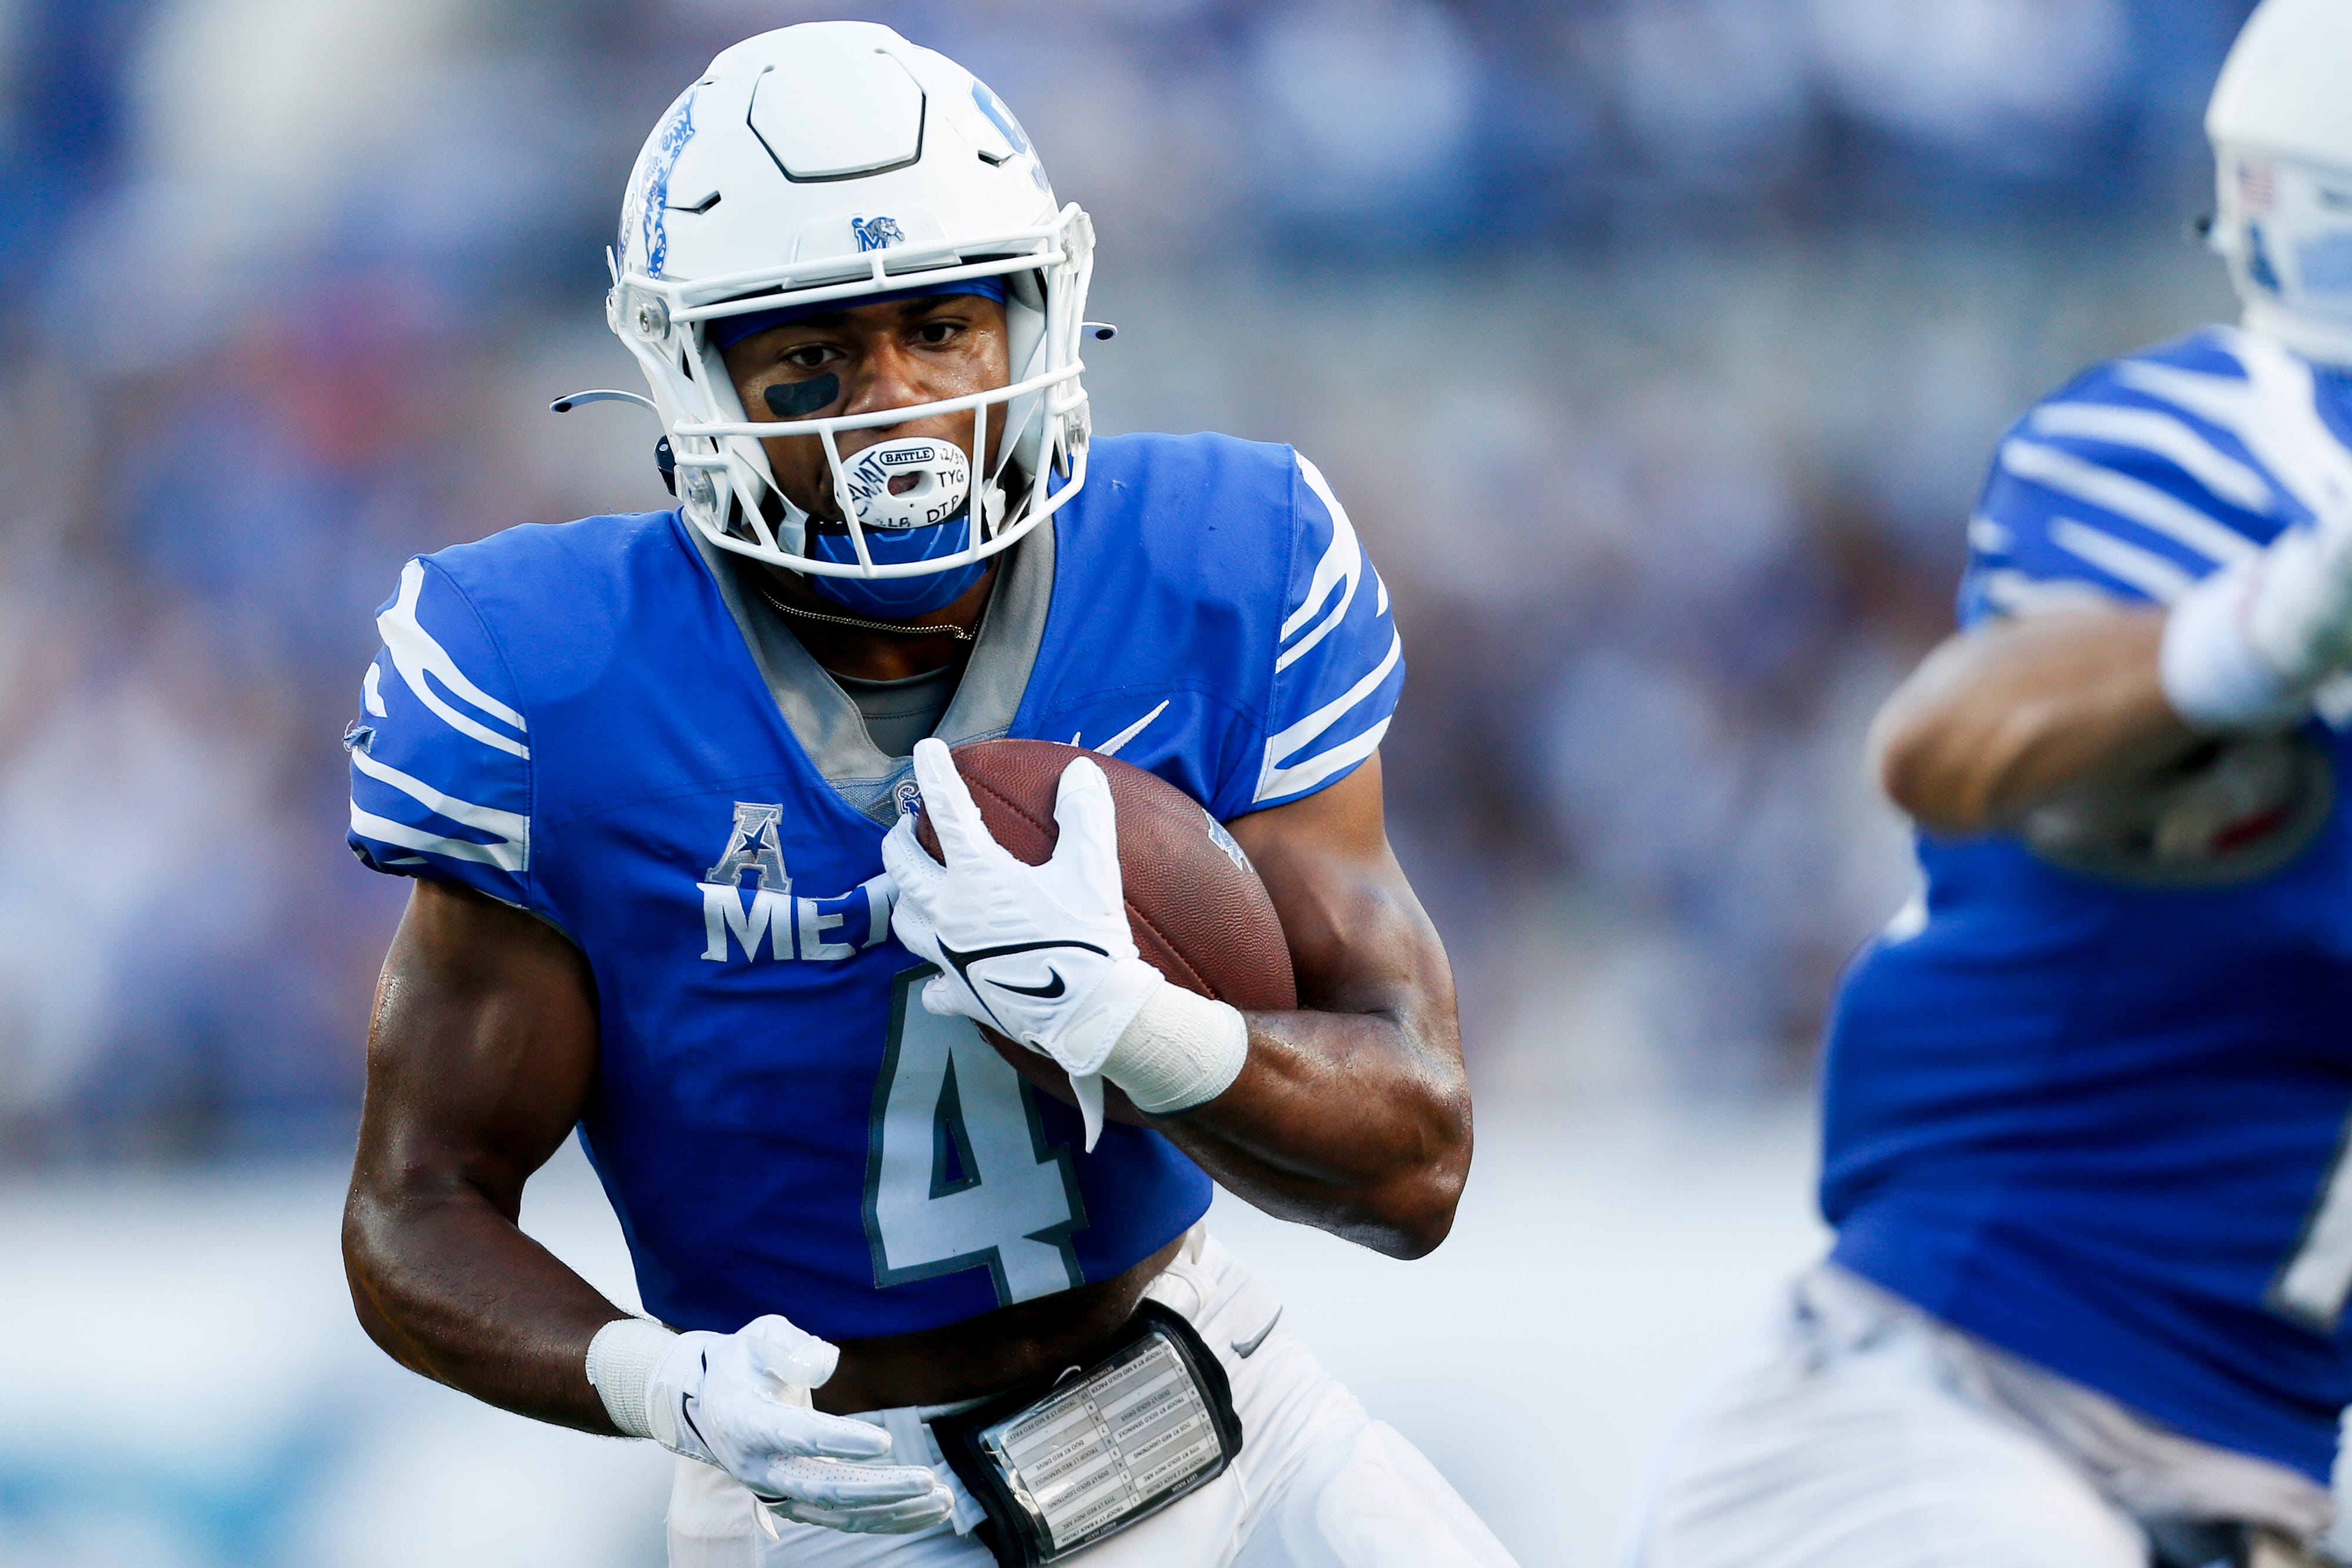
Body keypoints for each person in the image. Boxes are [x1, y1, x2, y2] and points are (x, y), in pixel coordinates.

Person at [338, 21, 1512, 1568]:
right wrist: (661, 1380)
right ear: (692, 373)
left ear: (1038, 313)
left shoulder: (1225, 563)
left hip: (1225, 1395)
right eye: (811, 354)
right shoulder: (552, 677)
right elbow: (417, 1202)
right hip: (846, 1502)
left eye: (946, 326)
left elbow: (1413, 1163)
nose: (892, 401)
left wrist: (1126, 1019)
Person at [1624, 3, 2352, 1566]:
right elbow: (1950, 741)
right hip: (1971, 1423)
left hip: (2252, 1480)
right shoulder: (2234, 444)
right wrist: (2286, 622)